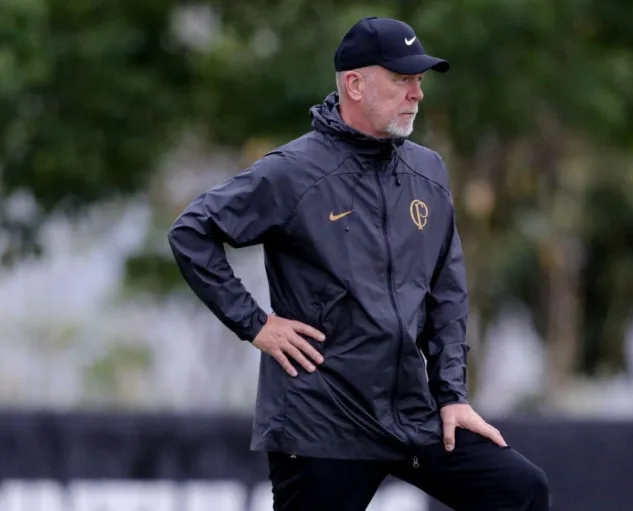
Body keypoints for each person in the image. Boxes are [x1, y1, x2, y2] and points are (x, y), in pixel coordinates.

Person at [168, 15, 550, 511]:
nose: (417, 93)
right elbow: (191, 233)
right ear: (354, 84)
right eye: (402, 79)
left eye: (419, 80)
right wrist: (256, 324)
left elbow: (447, 291)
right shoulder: (292, 172)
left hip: (412, 416)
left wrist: (452, 395)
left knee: (521, 490)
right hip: (322, 423)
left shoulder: (428, 171)